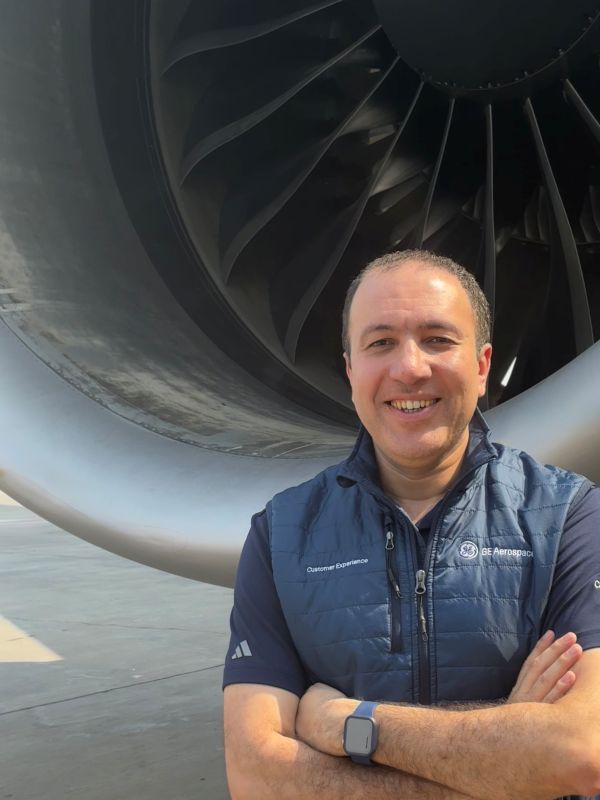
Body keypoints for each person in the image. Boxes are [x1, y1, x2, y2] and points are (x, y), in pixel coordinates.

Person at [222, 250, 600, 800]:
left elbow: (581, 751)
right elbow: (257, 777)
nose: (409, 368)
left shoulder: (567, 514)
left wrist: (349, 724)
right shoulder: (280, 534)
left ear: (481, 364)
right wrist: (509, 745)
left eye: (438, 339)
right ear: (351, 369)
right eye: (380, 343)